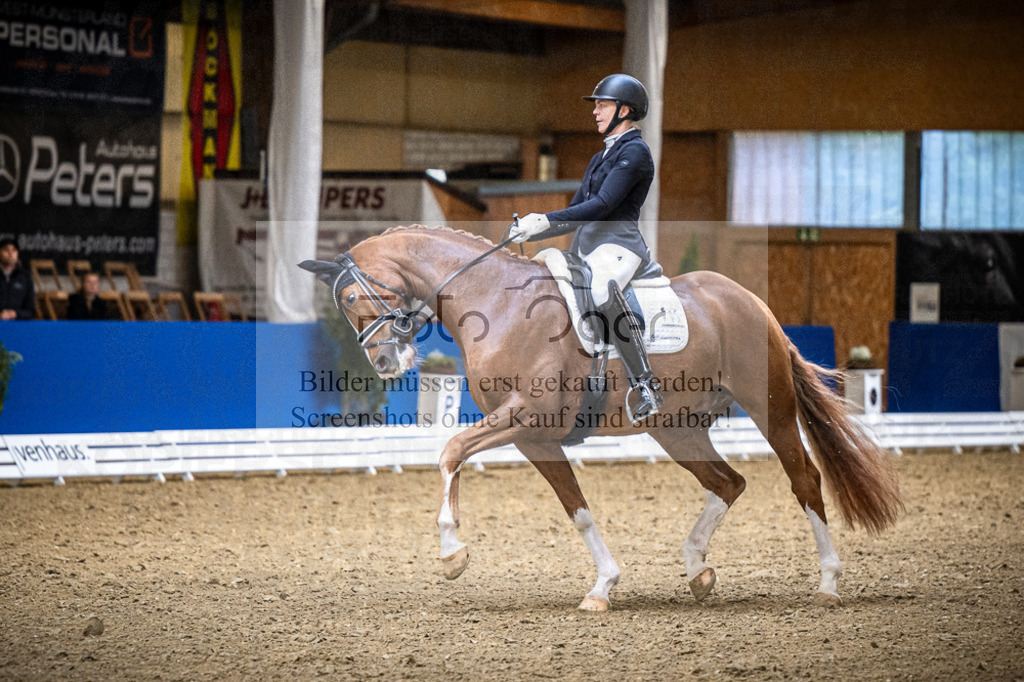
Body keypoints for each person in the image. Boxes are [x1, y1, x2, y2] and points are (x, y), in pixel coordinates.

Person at [509, 73, 663, 419]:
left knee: (600, 290)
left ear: (625, 110)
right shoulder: (599, 158)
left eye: (603, 105)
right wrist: (530, 231)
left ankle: (645, 386)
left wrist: (546, 217)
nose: (595, 112)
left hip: (620, 247)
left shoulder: (635, 152)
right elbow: (579, 209)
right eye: (596, 106)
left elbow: (604, 204)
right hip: (589, 248)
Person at [0, 238, 35, 321]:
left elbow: (31, 311)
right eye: (6, 250)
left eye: (14, 250)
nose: (10, 253)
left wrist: (15, 314)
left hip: (17, 326)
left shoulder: (25, 277)